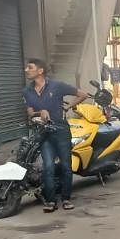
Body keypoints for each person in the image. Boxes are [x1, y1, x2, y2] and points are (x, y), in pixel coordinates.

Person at [22, 59, 87, 212]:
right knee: (48, 167)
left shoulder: (57, 86)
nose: (26, 70)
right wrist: (40, 113)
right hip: (43, 133)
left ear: (40, 71)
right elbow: (30, 112)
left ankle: (66, 198)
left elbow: (83, 94)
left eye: (30, 67)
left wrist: (69, 107)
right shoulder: (27, 91)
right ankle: (51, 201)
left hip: (61, 130)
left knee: (66, 165)